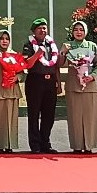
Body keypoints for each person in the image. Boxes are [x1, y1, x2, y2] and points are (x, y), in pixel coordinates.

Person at [21, 18, 62, 154]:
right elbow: (27, 64)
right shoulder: (28, 45)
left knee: (49, 114)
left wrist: (58, 83)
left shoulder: (51, 44)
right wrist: (37, 54)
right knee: (34, 114)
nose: (42, 30)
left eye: (44, 28)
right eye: (39, 28)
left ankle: (45, 143)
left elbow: (55, 65)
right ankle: (35, 144)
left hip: (50, 82)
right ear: (34, 31)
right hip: (35, 81)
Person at [59, 21, 97, 154]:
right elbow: (59, 64)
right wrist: (62, 52)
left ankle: (89, 145)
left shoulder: (92, 46)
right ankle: (77, 145)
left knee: (90, 116)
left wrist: (93, 76)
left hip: (89, 85)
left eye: (81, 29)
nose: (78, 32)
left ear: (85, 32)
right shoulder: (67, 46)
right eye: (76, 29)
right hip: (73, 85)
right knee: (75, 117)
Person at [0, 30, 24, 152]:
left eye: (7, 39)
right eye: (2, 38)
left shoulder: (14, 54)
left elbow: (22, 72)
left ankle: (10, 145)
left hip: (12, 91)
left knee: (11, 121)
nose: (4, 41)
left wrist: (17, 77)